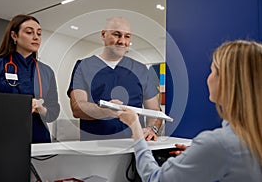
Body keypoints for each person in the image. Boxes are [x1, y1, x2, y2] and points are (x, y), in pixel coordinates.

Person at [118, 40, 262, 181]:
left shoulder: (219, 144)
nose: (208, 77)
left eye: (212, 71)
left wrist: (136, 127)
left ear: (226, 80)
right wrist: (201, 156)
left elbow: (154, 178)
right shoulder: (249, 139)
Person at [67, 16, 163, 141]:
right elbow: (77, 108)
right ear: (103, 35)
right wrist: (105, 111)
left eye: (127, 36)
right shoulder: (83, 66)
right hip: (94, 147)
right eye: (117, 35)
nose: (122, 41)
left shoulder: (141, 70)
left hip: (134, 146)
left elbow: (155, 110)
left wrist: (152, 129)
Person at [0, 14, 60, 144]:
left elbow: (53, 111)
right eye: (29, 32)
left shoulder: (46, 72)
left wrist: (40, 108)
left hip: (38, 140)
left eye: (39, 33)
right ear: (14, 36)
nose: (36, 37)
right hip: (2, 140)